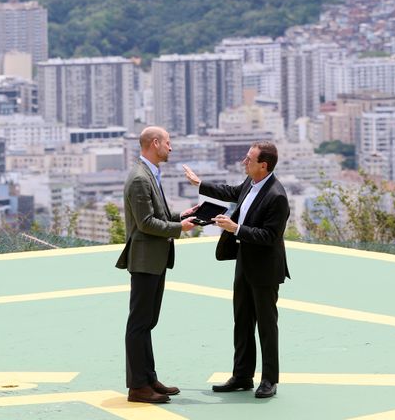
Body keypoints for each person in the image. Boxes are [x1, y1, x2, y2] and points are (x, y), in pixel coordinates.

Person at [183, 142, 290, 401]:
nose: (244, 162)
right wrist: (200, 184)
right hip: (244, 263)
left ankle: (269, 380)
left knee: (266, 326)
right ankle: (242, 376)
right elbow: (231, 191)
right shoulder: (250, 183)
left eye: (249, 159)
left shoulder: (277, 196)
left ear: (263, 165)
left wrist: (236, 229)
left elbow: (270, 236)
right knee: (241, 322)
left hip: (265, 270)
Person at [116, 126, 195, 404]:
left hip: (155, 259)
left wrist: (182, 215)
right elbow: (146, 223)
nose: (170, 148)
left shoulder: (150, 173)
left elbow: (156, 214)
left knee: (148, 321)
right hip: (145, 260)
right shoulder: (140, 178)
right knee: (139, 323)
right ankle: (138, 386)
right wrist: (179, 227)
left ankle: (149, 378)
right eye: (168, 143)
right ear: (155, 143)